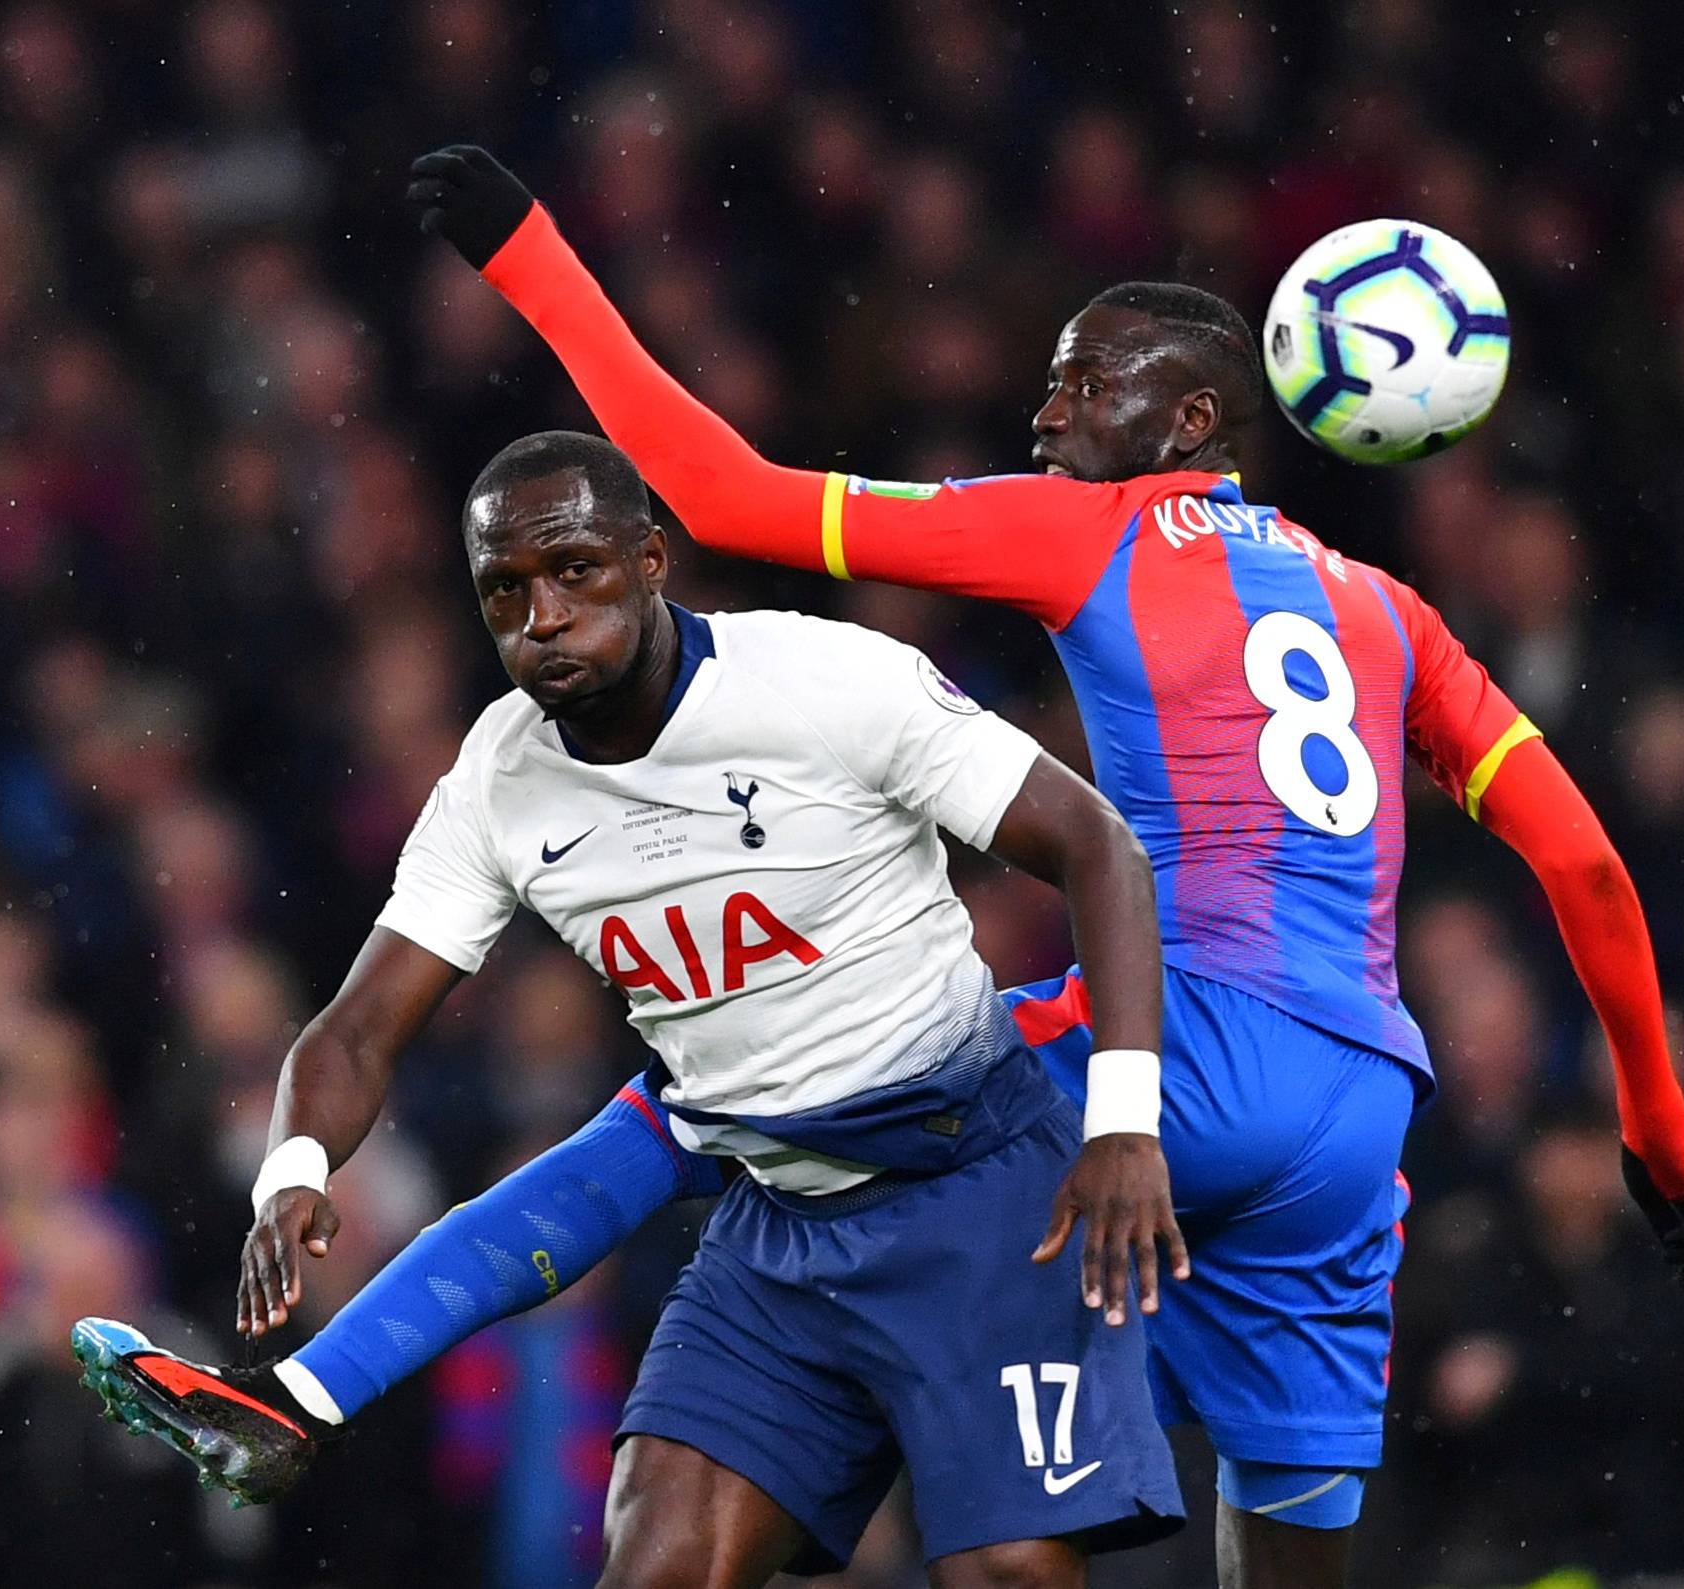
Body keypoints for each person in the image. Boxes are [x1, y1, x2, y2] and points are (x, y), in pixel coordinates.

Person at [364, 148, 1684, 1589]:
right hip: (1360, 1106)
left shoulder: (1091, 530)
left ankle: (575, 1450)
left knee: (792, 1099)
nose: (1047, 409)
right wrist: (1661, 1133)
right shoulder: (1389, 611)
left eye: (1087, 381)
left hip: (1183, 1046)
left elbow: (718, 496)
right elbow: (1591, 869)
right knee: (1291, 1550)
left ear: (1190, 420)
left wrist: (530, 257)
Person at [76, 427, 1194, 1588]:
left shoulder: (827, 680)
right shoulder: (497, 781)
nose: (541, 615)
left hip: (975, 1189)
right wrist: (293, 1165)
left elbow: (1097, 848)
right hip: (773, 1224)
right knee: (653, 1568)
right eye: (504, 590)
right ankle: (295, 1399)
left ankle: (303, 1397)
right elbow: (356, 1028)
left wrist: (1123, 1121)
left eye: (574, 570)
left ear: (652, 557)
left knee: (1011, 1570)